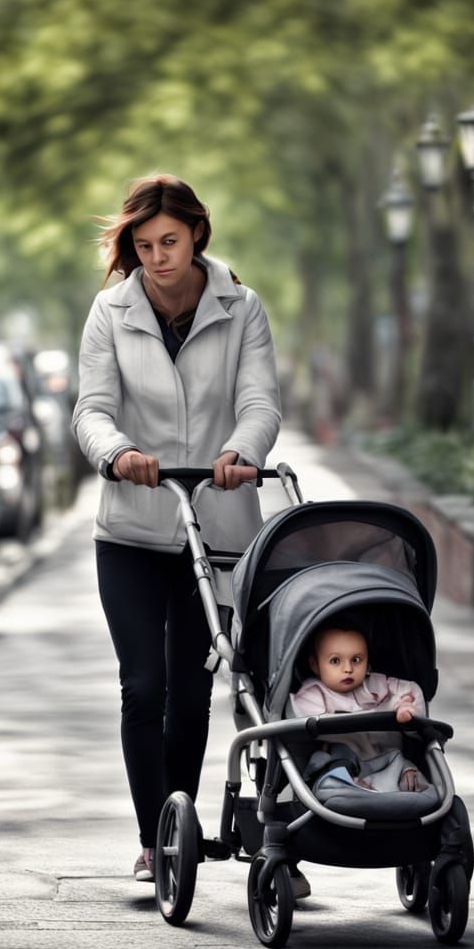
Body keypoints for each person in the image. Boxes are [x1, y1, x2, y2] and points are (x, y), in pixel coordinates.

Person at [72, 174, 281, 885]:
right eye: (143, 245)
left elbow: (260, 402)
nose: (157, 257)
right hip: (131, 529)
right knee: (143, 687)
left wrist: (241, 452)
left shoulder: (241, 308)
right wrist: (117, 453)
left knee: (192, 695)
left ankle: (177, 827)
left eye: (169, 241)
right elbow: (92, 409)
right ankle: (153, 840)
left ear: (197, 234)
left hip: (217, 527)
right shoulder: (110, 312)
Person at [290, 618, 430, 794]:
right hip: (342, 762)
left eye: (356, 660)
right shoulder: (313, 694)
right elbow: (303, 719)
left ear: (367, 661)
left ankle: (399, 781)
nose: (348, 668)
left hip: (385, 760)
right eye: (335, 661)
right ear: (315, 665)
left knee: (403, 765)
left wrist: (404, 706)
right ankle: (354, 785)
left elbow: (409, 689)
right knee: (329, 758)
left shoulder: (376, 684)